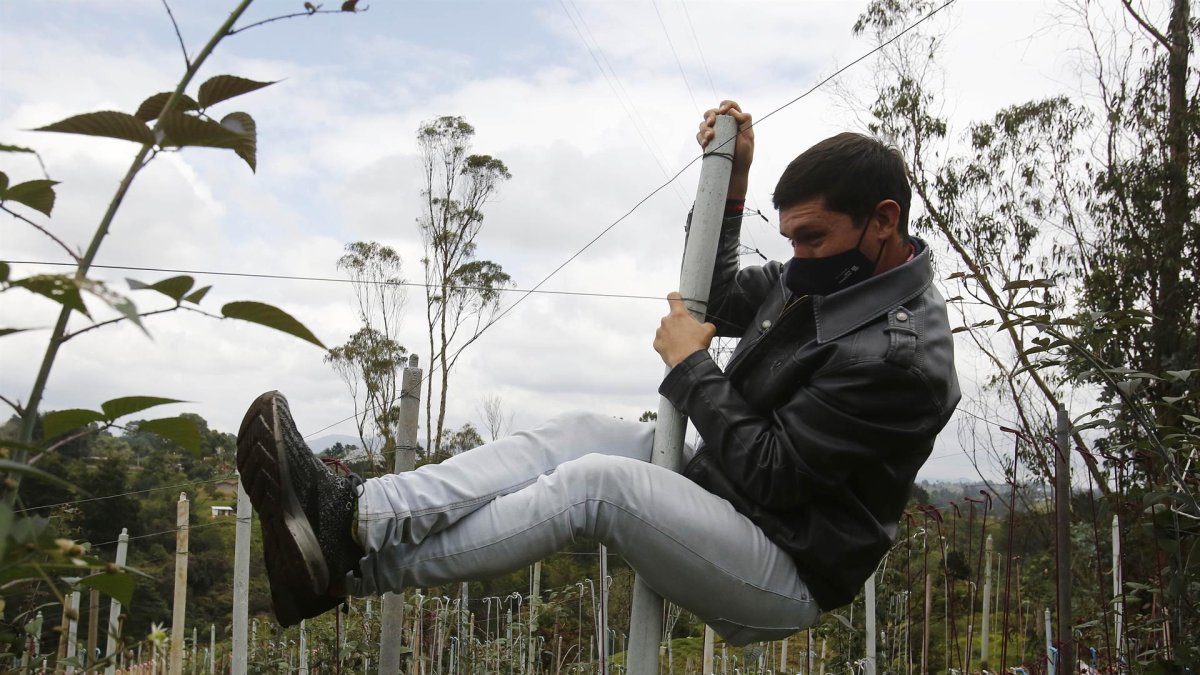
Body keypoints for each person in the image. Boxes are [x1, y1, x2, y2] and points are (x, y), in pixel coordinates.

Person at [236, 100, 960, 644]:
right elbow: (710, 292)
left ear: (884, 221)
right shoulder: (824, 277)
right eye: (792, 238)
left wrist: (692, 367)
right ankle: (353, 514)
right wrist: (730, 191)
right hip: (725, 488)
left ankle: (348, 571)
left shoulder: (900, 361)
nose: (797, 255)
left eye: (812, 236)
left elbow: (776, 474)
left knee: (597, 486)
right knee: (577, 434)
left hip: (783, 566)